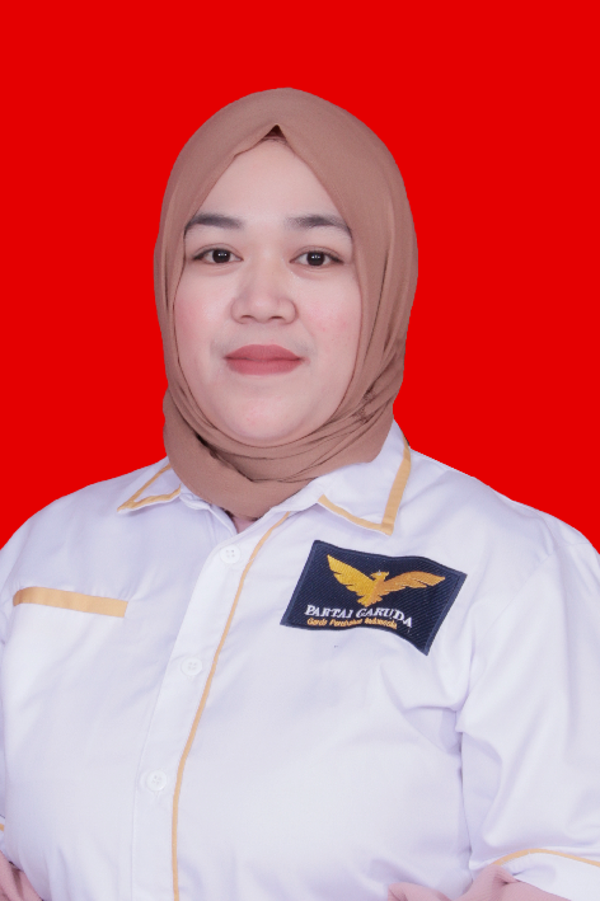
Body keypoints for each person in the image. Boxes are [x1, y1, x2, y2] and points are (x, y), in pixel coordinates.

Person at [0, 89, 598, 901]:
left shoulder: (517, 572)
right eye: (217, 254)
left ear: (383, 287)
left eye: (316, 257)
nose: (260, 300)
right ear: (168, 285)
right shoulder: (46, 552)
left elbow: (571, 865)